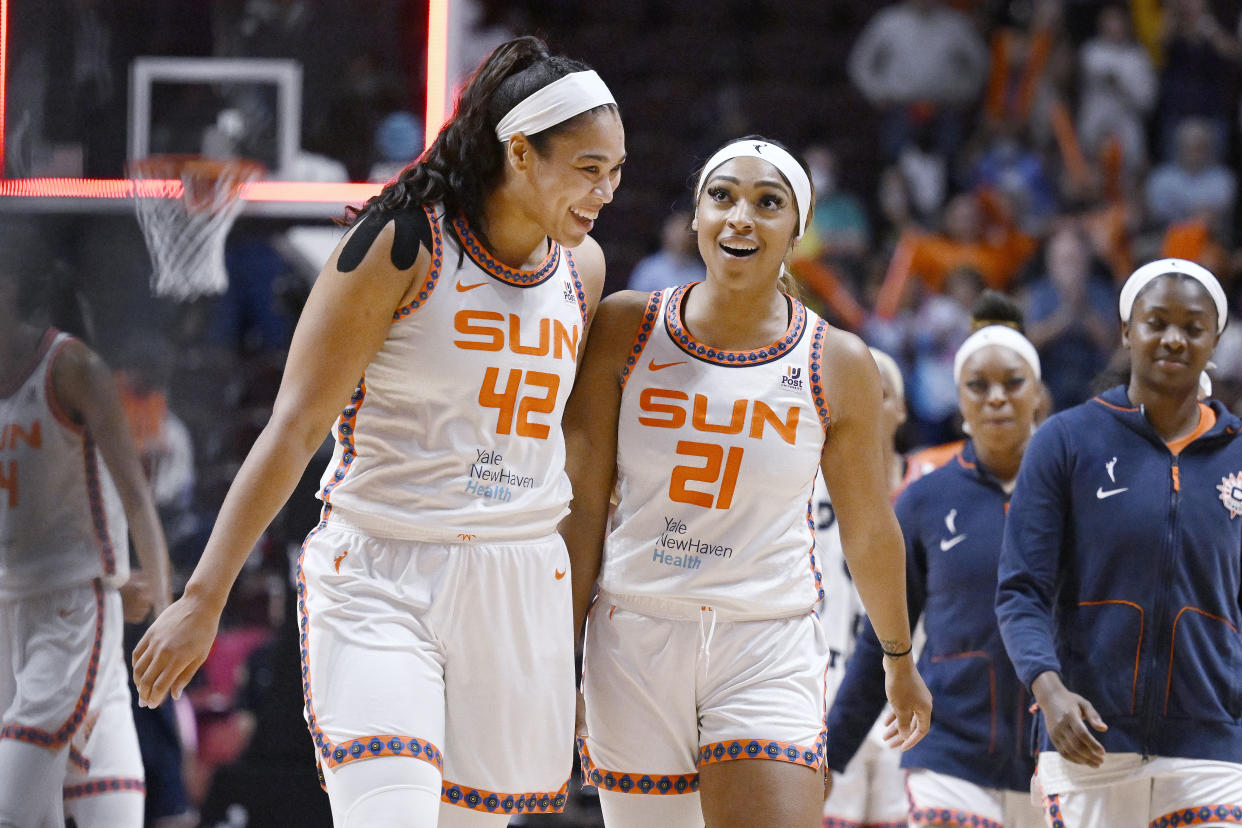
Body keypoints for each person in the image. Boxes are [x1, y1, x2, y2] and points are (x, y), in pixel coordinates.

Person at [132, 36, 625, 827]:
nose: (605, 192)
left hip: (517, 583)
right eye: (588, 169)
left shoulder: (585, 269)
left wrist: (570, 644)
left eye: (616, 172)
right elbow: (294, 429)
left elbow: (573, 458)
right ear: (522, 154)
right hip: (385, 575)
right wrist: (203, 596)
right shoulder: (402, 242)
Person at [560, 137, 932, 828]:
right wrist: (558, 653)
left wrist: (897, 657)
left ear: (796, 230)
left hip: (766, 638)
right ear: (696, 216)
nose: (741, 217)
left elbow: (869, 529)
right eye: (722, 196)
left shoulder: (837, 359)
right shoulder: (624, 324)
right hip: (635, 635)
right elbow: (581, 507)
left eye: (768, 203)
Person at [996, 258, 1242, 825]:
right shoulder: (1067, 440)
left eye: (1193, 326)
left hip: (1213, 746)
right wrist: (1048, 691)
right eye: (1156, 322)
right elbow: (1021, 591)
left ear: (1215, 341)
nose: (1174, 338)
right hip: (1091, 735)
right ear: (1127, 331)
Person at [827, 292, 1046, 828]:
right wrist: (830, 757)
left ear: (1038, 394)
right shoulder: (926, 499)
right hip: (949, 750)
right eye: (978, 385)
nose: (996, 398)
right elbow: (883, 634)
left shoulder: (1083, 491)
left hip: (1057, 752)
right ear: (959, 399)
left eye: (1012, 383)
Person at [0, 229, 173, 827]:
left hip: (74, 606)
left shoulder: (71, 368)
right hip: (13, 606)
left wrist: (168, 606)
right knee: (74, 806)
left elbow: (136, 498)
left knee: (14, 805)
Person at [817, 346, 909, 828]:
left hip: (909, 699)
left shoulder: (931, 488)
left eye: (880, 391)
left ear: (900, 409)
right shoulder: (801, 482)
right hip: (825, 690)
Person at [626, 209, 706, 292]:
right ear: (666, 232)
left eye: (686, 231)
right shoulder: (649, 269)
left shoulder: (699, 273)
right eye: (676, 230)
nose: (681, 237)